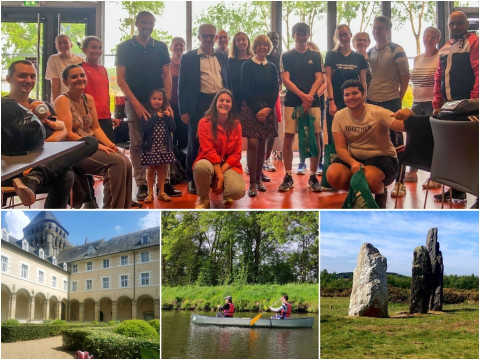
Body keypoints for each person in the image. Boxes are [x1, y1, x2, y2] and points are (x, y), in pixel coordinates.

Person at [2, 60, 97, 208]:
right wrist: (40, 149)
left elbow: (64, 130)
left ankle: (35, 177)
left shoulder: (42, 106)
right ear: (8, 78)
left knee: (90, 142)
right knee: (66, 174)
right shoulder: (4, 107)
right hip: (13, 168)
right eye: (22, 76)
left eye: (32, 76)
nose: (29, 80)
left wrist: (43, 148)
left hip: (43, 164)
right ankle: (35, 178)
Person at [54, 64, 133, 209]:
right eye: (74, 76)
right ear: (65, 82)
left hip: (91, 144)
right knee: (117, 163)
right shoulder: (62, 100)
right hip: (73, 149)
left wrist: (110, 144)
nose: (80, 78)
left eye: (82, 75)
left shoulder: (88, 99)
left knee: (126, 162)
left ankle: (123, 208)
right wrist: (96, 145)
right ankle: (112, 210)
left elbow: (95, 128)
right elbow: (68, 133)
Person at [326, 80, 410, 209]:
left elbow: (403, 126)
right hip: (355, 158)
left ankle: (380, 192)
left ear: (363, 94)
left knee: (368, 179)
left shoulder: (378, 112)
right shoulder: (339, 116)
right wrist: (352, 162)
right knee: (333, 174)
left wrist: (410, 113)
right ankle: (359, 194)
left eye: (355, 93)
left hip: (383, 158)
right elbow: (340, 148)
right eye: (347, 95)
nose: (351, 97)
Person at [116, 11, 172, 201]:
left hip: (158, 101)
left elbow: (167, 75)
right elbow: (121, 80)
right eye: (144, 22)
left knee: (164, 140)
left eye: (150, 22)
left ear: (153, 25)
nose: (147, 25)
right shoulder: (124, 47)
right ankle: (141, 184)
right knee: (138, 142)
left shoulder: (161, 47)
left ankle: (164, 184)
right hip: (134, 101)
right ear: (137, 23)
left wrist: (167, 102)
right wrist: (137, 105)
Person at [178, 24, 231, 195]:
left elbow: (227, 81)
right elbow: (182, 86)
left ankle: (216, 177)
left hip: (220, 103)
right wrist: (184, 109)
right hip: (199, 103)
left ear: (216, 38)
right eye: (205, 36)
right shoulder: (189, 57)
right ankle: (192, 180)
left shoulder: (223, 56)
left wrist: (229, 103)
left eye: (211, 36)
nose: (208, 39)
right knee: (196, 142)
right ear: (199, 38)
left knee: (220, 140)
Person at [432, 11, 479, 204]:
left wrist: (475, 100)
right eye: (452, 24)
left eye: (460, 23)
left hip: (470, 107)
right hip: (449, 107)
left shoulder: (474, 42)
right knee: (455, 151)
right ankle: (457, 191)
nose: (455, 27)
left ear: (467, 24)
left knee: (474, 151)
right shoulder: (444, 48)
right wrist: (437, 103)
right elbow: (438, 76)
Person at [367, 16, 410, 198]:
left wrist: (398, 99)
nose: (377, 31)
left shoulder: (396, 49)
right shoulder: (369, 51)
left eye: (381, 28)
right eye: (375, 28)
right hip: (371, 101)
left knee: (396, 142)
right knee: (375, 141)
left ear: (387, 30)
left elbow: (405, 76)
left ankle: (400, 182)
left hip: (391, 101)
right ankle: (379, 180)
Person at [279, 22, 323, 193]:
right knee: (288, 138)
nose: (302, 36)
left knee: (316, 137)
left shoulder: (316, 55)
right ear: (293, 35)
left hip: (313, 102)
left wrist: (309, 97)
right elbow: (286, 80)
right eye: (298, 33)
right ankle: (288, 175)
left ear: (308, 35)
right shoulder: (287, 55)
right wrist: (302, 96)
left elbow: (319, 78)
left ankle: (313, 176)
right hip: (292, 101)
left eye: (304, 33)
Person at [193, 89, 245, 209]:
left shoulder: (237, 125)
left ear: (232, 105)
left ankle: (227, 193)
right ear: (215, 103)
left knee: (237, 191)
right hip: (208, 162)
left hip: (229, 165)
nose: (224, 103)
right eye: (221, 100)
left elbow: (237, 154)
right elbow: (208, 150)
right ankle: (204, 199)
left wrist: (220, 173)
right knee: (201, 167)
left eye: (228, 101)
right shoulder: (204, 123)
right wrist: (220, 176)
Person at [241, 35, 279, 197]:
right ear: (254, 47)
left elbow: (275, 89)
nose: (263, 48)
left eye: (266, 46)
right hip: (251, 108)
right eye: (260, 45)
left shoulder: (271, 66)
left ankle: (259, 179)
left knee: (263, 142)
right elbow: (246, 89)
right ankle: (252, 183)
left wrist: (268, 108)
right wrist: (259, 110)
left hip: (268, 108)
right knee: (253, 143)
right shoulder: (247, 65)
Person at [404, 27, 441, 187]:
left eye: (433, 37)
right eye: (427, 36)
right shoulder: (417, 58)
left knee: (434, 139)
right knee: (413, 136)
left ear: (437, 40)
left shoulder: (441, 57)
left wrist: (439, 104)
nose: (429, 39)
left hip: (433, 103)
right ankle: (412, 170)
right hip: (417, 102)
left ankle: (436, 176)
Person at [325, 25, 368, 148]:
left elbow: (363, 81)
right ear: (337, 38)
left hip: (354, 101)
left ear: (350, 35)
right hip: (336, 101)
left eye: (345, 34)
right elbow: (328, 79)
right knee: (335, 135)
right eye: (340, 35)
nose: (343, 37)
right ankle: (335, 165)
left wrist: (363, 99)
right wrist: (331, 102)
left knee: (354, 135)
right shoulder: (331, 55)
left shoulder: (359, 58)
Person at [296, 41, 326, 177]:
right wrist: (305, 98)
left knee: (317, 133)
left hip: (317, 102)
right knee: (303, 132)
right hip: (302, 101)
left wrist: (313, 95)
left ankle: (319, 162)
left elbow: (324, 82)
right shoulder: (299, 63)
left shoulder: (319, 63)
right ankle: (302, 162)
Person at [141, 88, 176, 203]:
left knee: (162, 169)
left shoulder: (166, 113)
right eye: (154, 98)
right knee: (150, 169)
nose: (157, 101)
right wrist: (156, 116)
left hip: (164, 146)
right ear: (149, 100)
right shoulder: (147, 113)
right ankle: (150, 192)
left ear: (163, 100)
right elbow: (145, 128)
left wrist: (168, 117)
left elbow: (173, 128)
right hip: (151, 147)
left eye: (159, 99)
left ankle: (162, 192)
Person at [81, 36, 116, 143]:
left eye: (100, 48)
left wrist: (110, 116)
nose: (97, 50)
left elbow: (105, 94)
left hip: (105, 117)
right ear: (84, 49)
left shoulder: (103, 69)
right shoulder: (80, 69)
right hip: (90, 118)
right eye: (94, 47)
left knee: (111, 150)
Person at [45, 34, 84, 102]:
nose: (63, 45)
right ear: (56, 46)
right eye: (60, 43)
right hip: (63, 98)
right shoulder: (53, 59)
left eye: (65, 42)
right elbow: (55, 84)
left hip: (79, 98)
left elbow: (83, 82)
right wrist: (55, 103)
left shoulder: (80, 60)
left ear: (71, 45)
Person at [264, 31, 282, 173]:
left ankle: (266, 158)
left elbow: (281, 78)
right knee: (259, 130)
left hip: (274, 96)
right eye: (272, 39)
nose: (274, 41)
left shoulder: (279, 57)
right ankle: (257, 160)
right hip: (260, 96)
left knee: (272, 129)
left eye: (276, 39)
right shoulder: (261, 56)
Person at [228, 32, 253, 112]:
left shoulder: (254, 60)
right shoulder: (230, 61)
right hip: (235, 100)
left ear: (248, 41)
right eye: (238, 40)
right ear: (234, 44)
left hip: (253, 100)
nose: (241, 42)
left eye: (243, 39)